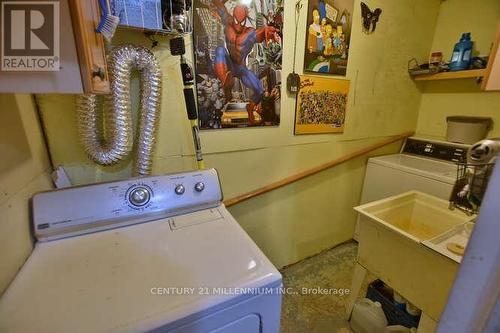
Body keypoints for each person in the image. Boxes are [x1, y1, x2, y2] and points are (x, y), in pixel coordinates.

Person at [211, 0, 280, 123]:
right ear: (233, 16)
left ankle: (250, 107)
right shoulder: (227, 22)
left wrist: (269, 32)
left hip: (241, 68)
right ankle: (225, 87)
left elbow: (261, 33)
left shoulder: (249, 33)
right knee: (220, 50)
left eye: (241, 22)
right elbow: (218, 4)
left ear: (246, 19)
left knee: (259, 89)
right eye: (237, 21)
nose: (238, 25)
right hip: (229, 64)